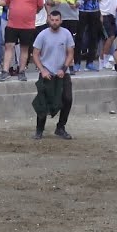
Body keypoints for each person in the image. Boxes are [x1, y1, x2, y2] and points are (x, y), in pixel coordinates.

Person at [30, 10, 75, 140]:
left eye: (57, 20)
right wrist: (42, 70)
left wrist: (64, 68)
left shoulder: (66, 34)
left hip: (62, 73)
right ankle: (39, 130)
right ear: (49, 20)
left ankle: (61, 127)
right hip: (46, 73)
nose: (54, 22)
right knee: (42, 102)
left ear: (61, 21)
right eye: (52, 20)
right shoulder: (42, 35)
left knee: (67, 99)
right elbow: (35, 54)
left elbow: (70, 53)